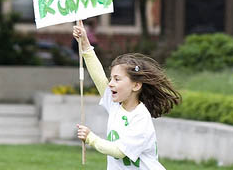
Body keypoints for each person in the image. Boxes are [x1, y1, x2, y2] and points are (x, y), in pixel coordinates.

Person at [73, 21, 181, 170]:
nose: (110, 83)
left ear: (136, 85)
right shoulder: (116, 105)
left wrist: (91, 138)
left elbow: (119, 152)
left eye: (117, 79)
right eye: (111, 78)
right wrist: (85, 44)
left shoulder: (140, 117)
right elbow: (98, 77)